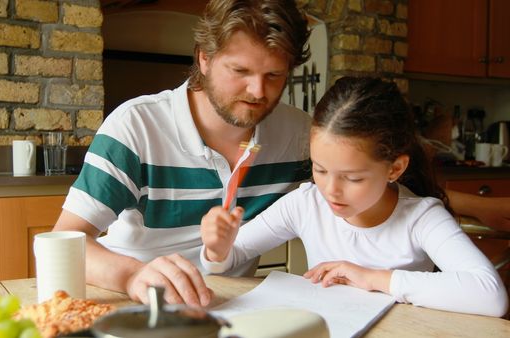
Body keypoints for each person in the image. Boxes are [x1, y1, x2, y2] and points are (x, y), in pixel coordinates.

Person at [53, 0, 312, 307]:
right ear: (204, 58)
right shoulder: (136, 127)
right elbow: (64, 243)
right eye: (240, 70)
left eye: (273, 75)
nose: (257, 90)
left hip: (232, 310)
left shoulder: (300, 134)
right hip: (139, 305)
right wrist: (133, 277)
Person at [200, 77, 509, 317]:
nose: (330, 190)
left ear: (395, 168)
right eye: (320, 170)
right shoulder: (306, 203)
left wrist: (372, 278)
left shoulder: (421, 218)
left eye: (352, 178)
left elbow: (489, 295)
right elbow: (231, 258)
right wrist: (217, 251)